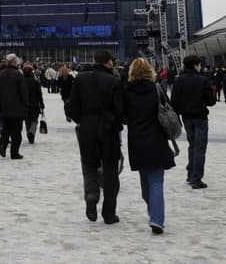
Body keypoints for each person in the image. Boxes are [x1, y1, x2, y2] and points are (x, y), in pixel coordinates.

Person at [67, 50, 124, 224]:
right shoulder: (114, 81)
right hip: (108, 128)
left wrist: (82, 120)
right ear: (109, 63)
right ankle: (109, 212)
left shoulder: (81, 79)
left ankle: (91, 197)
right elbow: (120, 110)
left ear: (93, 60)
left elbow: (72, 105)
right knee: (110, 169)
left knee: (89, 164)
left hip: (87, 126)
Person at [122, 58, 175, 235]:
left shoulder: (126, 91)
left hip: (137, 139)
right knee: (156, 181)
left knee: (145, 181)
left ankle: (154, 214)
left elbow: (122, 115)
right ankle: (156, 218)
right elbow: (168, 108)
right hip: (157, 137)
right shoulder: (157, 88)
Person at [170, 55, 216, 189]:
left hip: (186, 117)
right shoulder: (203, 80)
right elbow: (211, 101)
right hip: (200, 117)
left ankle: (190, 174)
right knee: (200, 147)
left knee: (192, 145)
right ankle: (196, 178)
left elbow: (174, 101)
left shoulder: (179, 81)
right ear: (196, 65)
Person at [0, 54, 29, 159]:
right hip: (17, 107)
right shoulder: (18, 74)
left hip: (4, 106)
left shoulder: (2, 73)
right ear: (15, 63)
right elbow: (23, 92)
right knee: (16, 132)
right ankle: (14, 153)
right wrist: (26, 104)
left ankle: (3, 144)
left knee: (5, 129)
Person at [22, 65, 44, 144]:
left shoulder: (22, 81)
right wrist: (42, 104)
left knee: (27, 121)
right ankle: (32, 133)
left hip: (25, 104)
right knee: (34, 121)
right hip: (35, 104)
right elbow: (39, 94)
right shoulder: (35, 81)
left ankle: (29, 133)